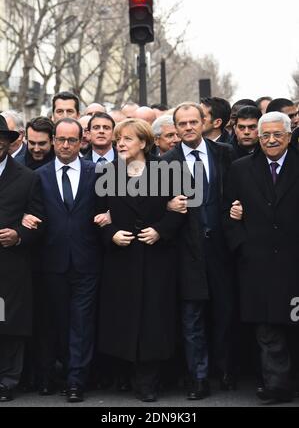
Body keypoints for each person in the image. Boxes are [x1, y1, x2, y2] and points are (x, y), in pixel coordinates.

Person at [96, 119, 184, 402]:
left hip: (156, 259)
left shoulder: (167, 171)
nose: (120, 143)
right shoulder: (106, 173)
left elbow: (181, 210)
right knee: (122, 318)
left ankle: (148, 381)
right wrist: (111, 234)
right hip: (122, 259)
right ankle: (123, 375)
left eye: (127, 139)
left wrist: (161, 230)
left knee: (153, 321)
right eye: (118, 139)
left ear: (144, 143)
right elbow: (97, 216)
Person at [223, 111, 299, 404]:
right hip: (258, 263)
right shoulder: (241, 168)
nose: (270, 140)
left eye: (277, 134)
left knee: (292, 324)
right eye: (265, 135)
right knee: (267, 329)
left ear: (289, 136)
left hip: (293, 262)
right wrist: (242, 245)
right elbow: (227, 213)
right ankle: (276, 385)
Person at [163, 102, 236, 399]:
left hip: (221, 247)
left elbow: (234, 193)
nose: (189, 127)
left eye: (194, 121)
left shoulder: (225, 154)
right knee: (191, 317)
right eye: (183, 124)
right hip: (186, 250)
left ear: (204, 122)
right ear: (176, 128)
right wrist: (166, 205)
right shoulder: (165, 161)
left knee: (225, 312)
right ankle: (199, 377)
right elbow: (155, 203)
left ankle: (226, 368)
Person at [27, 118, 102, 402]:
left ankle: (76, 380)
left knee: (82, 323)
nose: (66, 145)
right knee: (54, 322)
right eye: (61, 140)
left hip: (87, 260)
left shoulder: (97, 173)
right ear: (54, 140)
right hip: (51, 260)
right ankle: (51, 373)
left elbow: (119, 204)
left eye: (72, 140)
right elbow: (32, 211)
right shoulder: (39, 176)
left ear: (82, 140)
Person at [0, 115, 45, 402]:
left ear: (7, 142)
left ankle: (7, 380)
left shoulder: (28, 178)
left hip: (10, 265)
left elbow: (39, 220)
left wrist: (18, 235)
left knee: (9, 326)